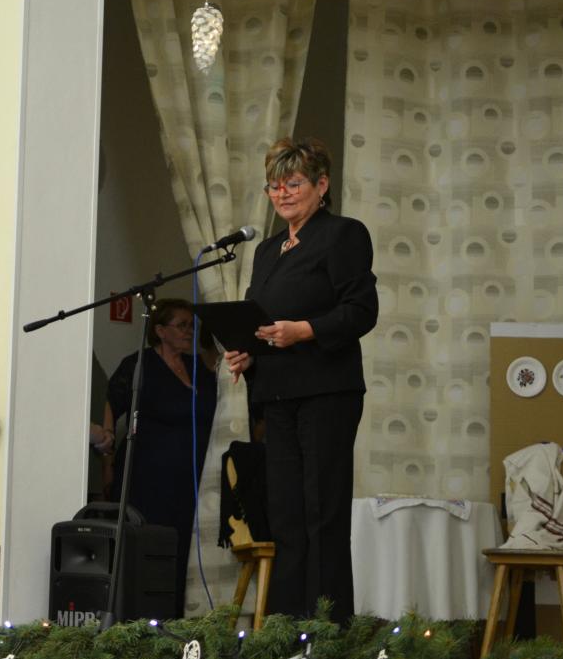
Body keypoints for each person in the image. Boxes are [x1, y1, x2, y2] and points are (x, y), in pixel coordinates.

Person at [223, 138, 377, 623]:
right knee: (286, 515)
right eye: (274, 186)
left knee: (321, 514)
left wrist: (304, 330)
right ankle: (285, 627)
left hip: (326, 392)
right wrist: (245, 354)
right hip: (277, 394)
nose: (282, 194)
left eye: (293, 183)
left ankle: (327, 628)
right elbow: (260, 319)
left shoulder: (343, 234)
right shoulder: (268, 250)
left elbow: (361, 310)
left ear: (321, 185)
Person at [102, 299, 217, 618]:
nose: (189, 332)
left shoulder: (200, 367)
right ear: (161, 330)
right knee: (152, 546)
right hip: (149, 477)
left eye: (192, 326)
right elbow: (112, 404)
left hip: (192, 478)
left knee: (186, 548)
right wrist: (107, 461)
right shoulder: (140, 363)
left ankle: (182, 616)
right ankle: (145, 618)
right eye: (182, 325)